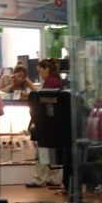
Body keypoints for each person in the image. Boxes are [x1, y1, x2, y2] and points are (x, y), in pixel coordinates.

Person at [27, 58, 65, 188]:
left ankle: (40, 178)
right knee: (54, 151)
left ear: (47, 69)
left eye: (40, 71)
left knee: (42, 150)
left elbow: (42, 104)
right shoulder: (56, 81)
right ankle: (55, 178)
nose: (40, 74)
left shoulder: (50, 83)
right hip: (55, 123)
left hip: (47, 124)